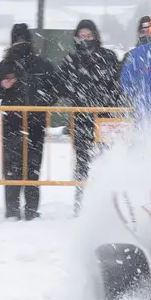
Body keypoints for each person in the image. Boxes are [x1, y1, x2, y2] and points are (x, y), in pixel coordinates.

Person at [0, 24, 60, 221]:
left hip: (36, 122)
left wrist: (42, 101)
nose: (20, 44)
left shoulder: (42, 65)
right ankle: (12, 210)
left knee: (33, 167)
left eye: (23, 40)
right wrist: (2, 86)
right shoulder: (4, 66)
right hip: (12, 123)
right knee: (12, 168)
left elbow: (57, 89)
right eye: (17, 40)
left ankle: (31, 210)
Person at [57, 19, 122, 214]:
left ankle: (109, 201)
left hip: (106, 116)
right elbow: (61, 85)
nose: (86, 40)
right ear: (76, 38)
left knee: (108, 158)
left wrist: (109, 100)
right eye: (82, 36)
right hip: (81, 117)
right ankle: (81, 201)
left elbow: (117, 84)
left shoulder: (108, 57)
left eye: (89, 36)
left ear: (96, 36)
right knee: (83, 160)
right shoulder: (71, 60)